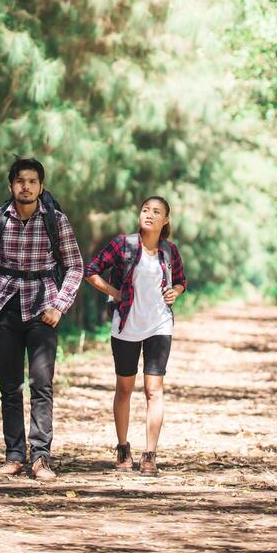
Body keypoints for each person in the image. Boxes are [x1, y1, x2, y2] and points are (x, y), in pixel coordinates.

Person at [0, 157, 83, 481]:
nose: (26, 186)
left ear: (41, 186)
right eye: (20, 181)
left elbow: (75, 266)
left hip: (43, 309)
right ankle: (15, 456)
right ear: (11, 186)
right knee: (9, 387)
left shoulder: (56, 221)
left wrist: (60, 305)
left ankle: (41, 458)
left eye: (33, 181)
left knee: (41, 385)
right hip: (4, 307)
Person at [84, 196, 187, 475]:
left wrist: (175, 291)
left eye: (156, 212)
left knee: (154, 390)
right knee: (125, 389)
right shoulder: (123, 245)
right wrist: (114, 292)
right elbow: (90, 271)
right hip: (126, 325)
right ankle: (122, 448)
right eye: (145, 210)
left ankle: (150, 454)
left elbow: (180, 280)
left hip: (159, 326)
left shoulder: (170, 251)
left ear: (166, 220)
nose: (149, 215)